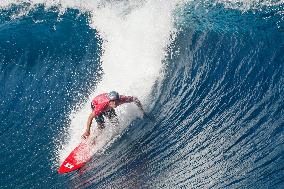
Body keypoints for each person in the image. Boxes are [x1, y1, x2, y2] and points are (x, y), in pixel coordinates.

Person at [82, 91, 147, 139]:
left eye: (116, 101)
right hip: (95, 103)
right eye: (113, 101)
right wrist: (87, 131)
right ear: (110, 101)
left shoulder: (121, 99)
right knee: (102, 126)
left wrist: (142, 111)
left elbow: (135, 99)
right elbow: (90, 117)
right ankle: (92, 138)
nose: (115, 103)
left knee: (115, 122)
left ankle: (114, 135)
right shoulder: (101, 106)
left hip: (106, 105)